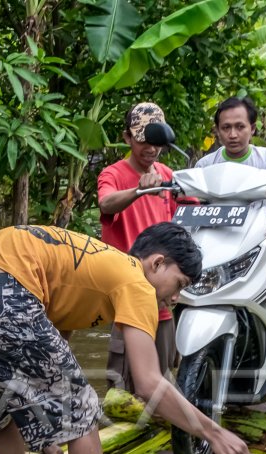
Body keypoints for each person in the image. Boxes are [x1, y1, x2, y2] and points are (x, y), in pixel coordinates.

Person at [0, 222, 252, 454]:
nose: (174, 298)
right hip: (8, 287)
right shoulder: (137, 282)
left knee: (5, 408)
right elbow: (148, 383)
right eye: (179, 284)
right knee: (84, 411)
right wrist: (214, 433)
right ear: (158, 263)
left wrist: (49, 433)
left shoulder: (103, 267)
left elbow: (49, 350)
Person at [98, 102, 179, 394]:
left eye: (157, 141)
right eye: (143, 139)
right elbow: (106, 203)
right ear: (127, 138)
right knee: (121, 385)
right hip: (128, 295)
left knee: (165, 377)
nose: (151, 148)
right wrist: (139, 190)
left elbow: (197, 211)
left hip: (162, 299)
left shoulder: (169, 176)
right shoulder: (113, 174)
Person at [195, 96, 266, 215]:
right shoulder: (204, 166)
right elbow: (192, 202)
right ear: (218, 131)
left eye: (240, 127)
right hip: (213, 230)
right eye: (226, 127)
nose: (233, 135)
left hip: (258, 230)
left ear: (252, 129)